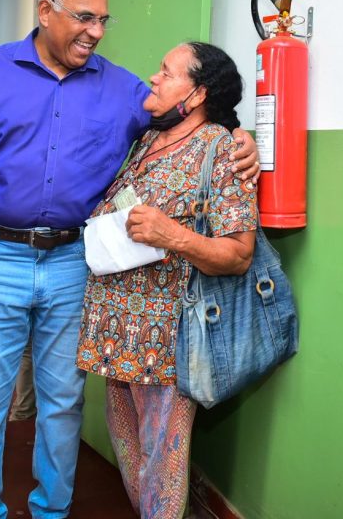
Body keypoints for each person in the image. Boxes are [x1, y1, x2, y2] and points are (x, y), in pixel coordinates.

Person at [0, 0, 258, 519]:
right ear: (46, 11)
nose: (96, 31)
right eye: (84, 17)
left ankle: (50, 511)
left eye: (103, 20)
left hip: (71, 266)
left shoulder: (123, 88)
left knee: (63, 405)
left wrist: (240, 133)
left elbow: (190, 111)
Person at [77, 42, 257, 518]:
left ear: (196, 94)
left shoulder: (220, 149)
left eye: (166, 71)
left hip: (167, 339)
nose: (153, 78)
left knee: (164, 460)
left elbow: (239, 254)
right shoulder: (148, 139)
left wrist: (174, 235)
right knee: (132, 453)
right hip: (117, 332)